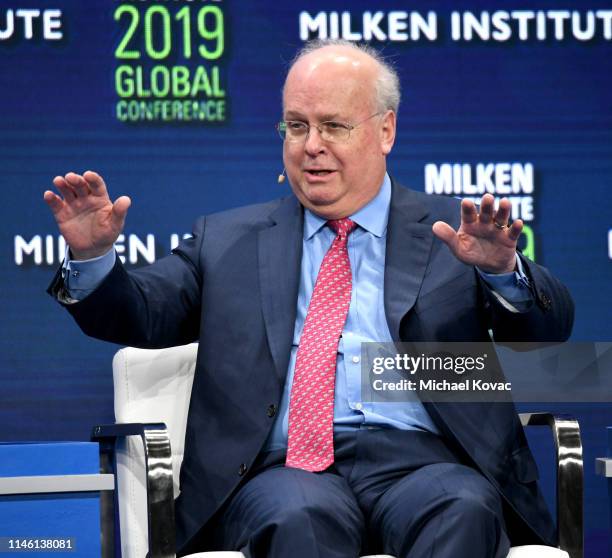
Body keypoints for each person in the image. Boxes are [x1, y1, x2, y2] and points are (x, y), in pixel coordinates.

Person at [45, 40, 573, 558]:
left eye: (333, 126)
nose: (311, 145)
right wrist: (94, 258)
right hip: (285, 470)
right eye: (296, 126)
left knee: (462, 506)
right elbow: (140, 312)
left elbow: (547, 332)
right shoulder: (227, 240)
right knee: (299, 517)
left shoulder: (450, 234)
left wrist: (505, 271)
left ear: (385, 130)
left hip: (425, 464)